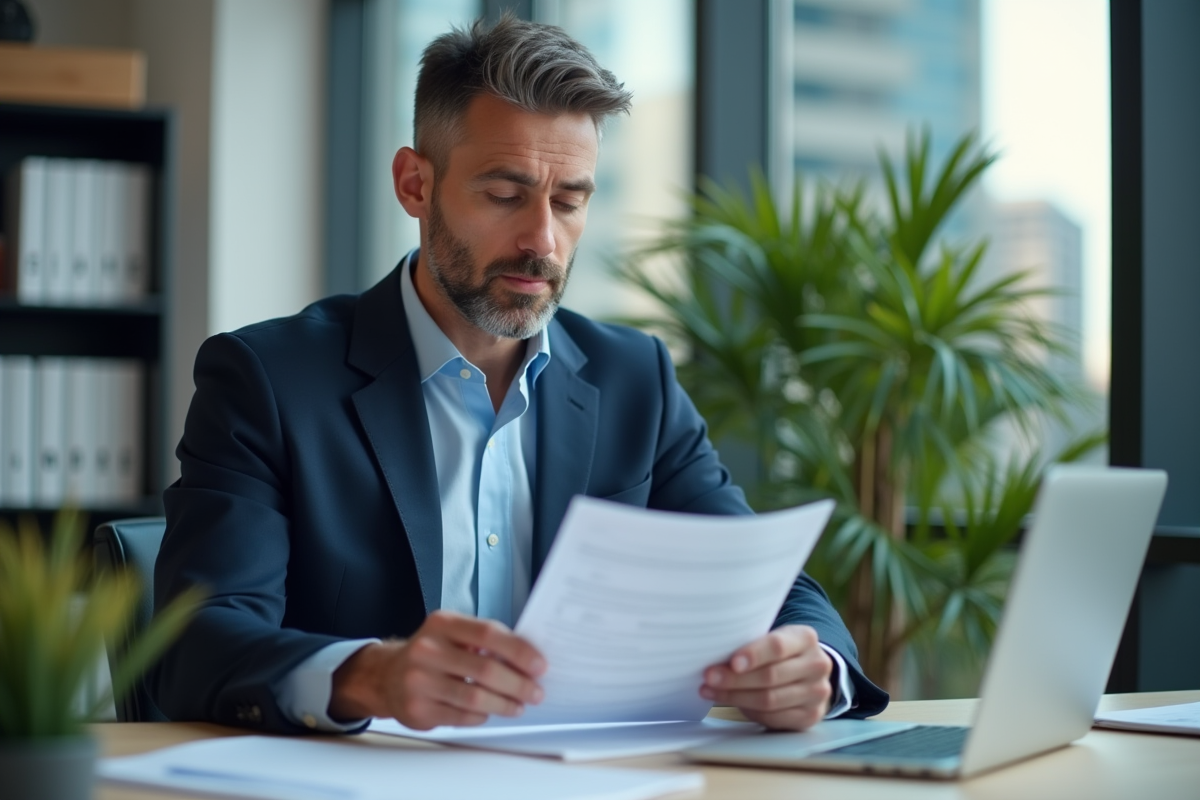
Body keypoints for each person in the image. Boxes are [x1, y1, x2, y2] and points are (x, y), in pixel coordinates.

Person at [150, 14, 888, 736]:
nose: (542, 240)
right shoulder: (269, 380)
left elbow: (766, 586)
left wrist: (814, 663)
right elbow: (196, 642)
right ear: (414, 184)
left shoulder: (637, 379)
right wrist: (370, 674)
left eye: (570, 201)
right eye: (504, 195)